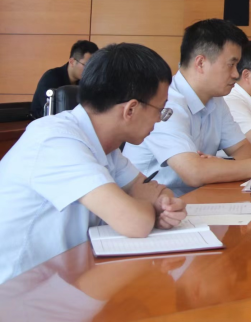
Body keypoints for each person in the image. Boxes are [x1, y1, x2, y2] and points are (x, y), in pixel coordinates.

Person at [0, 43, 187, 284]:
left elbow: (154, 191)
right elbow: (135, 223)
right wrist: (151, 209)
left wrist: (164, 205)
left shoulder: (105, 145)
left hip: (66, 280)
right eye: (160, 110)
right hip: (17, 291)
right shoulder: (56, 140)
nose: (160, 120)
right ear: (130, 109)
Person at [123, 20, 251, 196]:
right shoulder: (165, 103)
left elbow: (245, 151)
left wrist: (216, 167)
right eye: (231, 65)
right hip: (158, 204)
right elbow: (194, 172)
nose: (236, 74)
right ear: (201, 63)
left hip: (200, 196)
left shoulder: (216, 100)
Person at [30, 40, 99, 119]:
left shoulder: (85, 82)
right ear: (72, 62)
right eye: (87, 66)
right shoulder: (51, 78)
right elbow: (53, 112)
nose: (91, 71)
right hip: (43, 123)